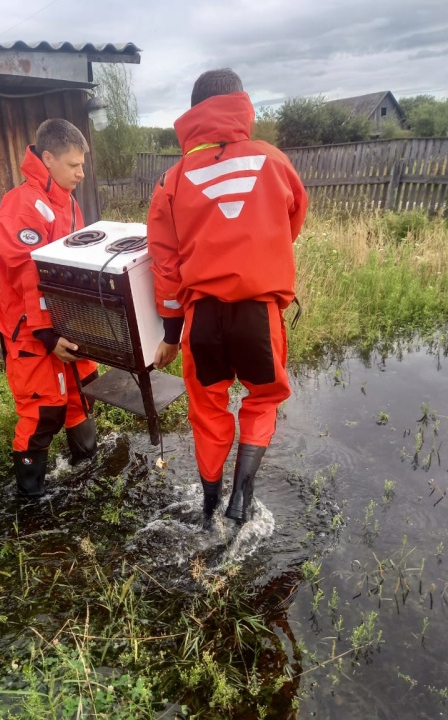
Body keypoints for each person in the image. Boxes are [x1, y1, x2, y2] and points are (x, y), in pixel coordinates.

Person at [147, 68, 308, 523]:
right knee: (261, 399)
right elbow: (291, 222)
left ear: (194, 111)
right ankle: (242, 496)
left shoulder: (171, 181)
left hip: (203, 319)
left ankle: (208, 504)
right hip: (259, 312)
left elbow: (165, 262)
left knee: (207, 409)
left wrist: (172, 331)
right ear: (241, 103)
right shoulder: (274, 160)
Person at [0, 119, 99, 498]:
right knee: (42, 410)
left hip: (64, 324)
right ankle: (30, 501)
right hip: (29, 328)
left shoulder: (67, 202)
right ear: (48, 158)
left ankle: (87, 475)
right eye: (74, 165)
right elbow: (26, 275)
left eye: (82, 165)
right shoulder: (21, 206)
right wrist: (47, 333)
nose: (81, 173)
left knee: (79, 395)